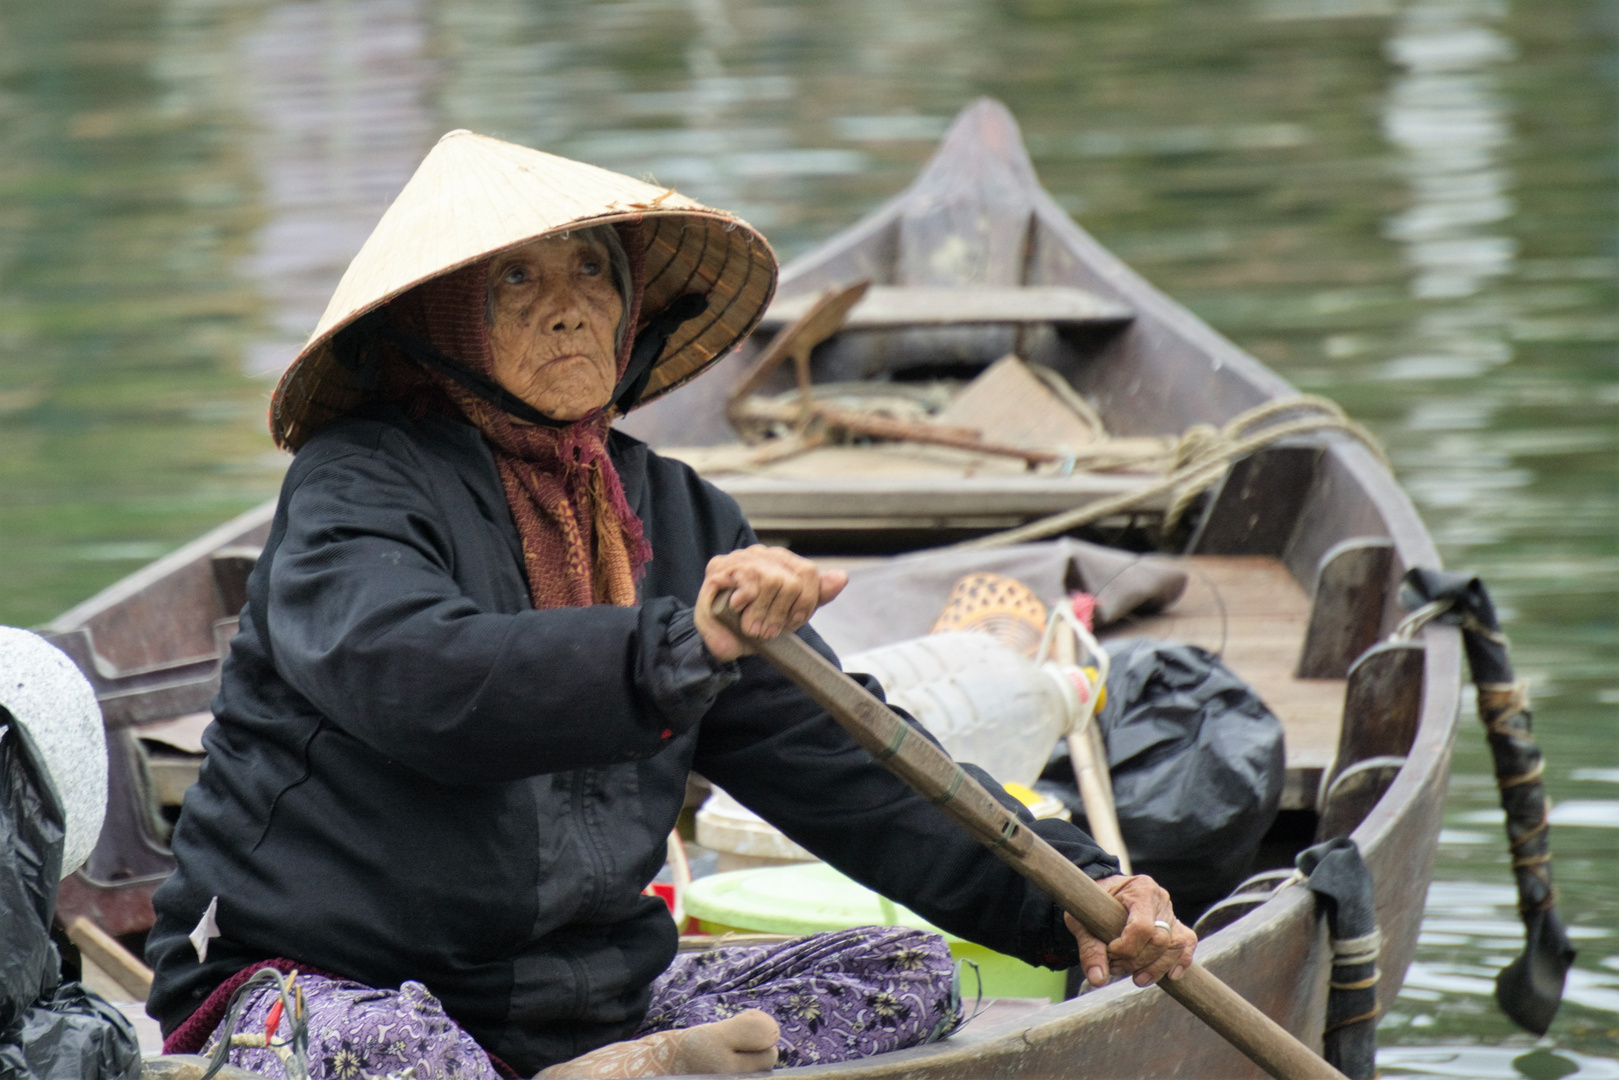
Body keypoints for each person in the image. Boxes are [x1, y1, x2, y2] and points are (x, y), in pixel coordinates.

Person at [145, 131, 1195, 1079]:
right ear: (440, 322)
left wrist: (1075, 897)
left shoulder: (674, 513)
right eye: (516, 281)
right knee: (395, 1055)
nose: (568, 306)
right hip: (321, 984)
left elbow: (841, 762)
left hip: (582, 1011)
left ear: (633, 306)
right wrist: (681, 643)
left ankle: (618, 1065)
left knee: (907, 978)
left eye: (594, 272)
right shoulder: (355, 487)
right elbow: (425, 682)